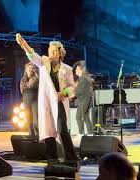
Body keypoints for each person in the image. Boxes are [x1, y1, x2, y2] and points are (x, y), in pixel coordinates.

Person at [16, 33, 78, 162]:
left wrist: (64, 93)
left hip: (59, 101)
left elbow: (72, 87)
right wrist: (24, 44)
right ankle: (52, 160)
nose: (52, 53)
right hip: (46, 102)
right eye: (51, 50)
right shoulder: (43, 63)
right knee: (49, 131)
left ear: (60, 53)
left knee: (62, 130)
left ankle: (72, 159)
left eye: (55, 51)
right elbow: (32, 55)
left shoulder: (67, 69)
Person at [73, 61, 93, 135]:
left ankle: (81, 133)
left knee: (78, 117)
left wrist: (74, 92)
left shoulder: (82, 78)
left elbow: (80, 91)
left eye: (76, 69)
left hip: (84, 101)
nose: (75, 70)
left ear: (80, 70)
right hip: (87, 100)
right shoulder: (85, 78)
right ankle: (90, 133)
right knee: (86, 117)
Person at [20, 62, 39, 136]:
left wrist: (36, 74)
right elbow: (22, 90)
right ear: (26, 69)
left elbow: (32, 85)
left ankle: (38, 136)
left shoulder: (36, 78)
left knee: (35, 120)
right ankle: (31, 136)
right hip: (26, 100)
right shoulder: (23, 79)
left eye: (32, 68)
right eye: (29, 68)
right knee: (28, 120)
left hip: (35, 100)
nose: (30, 69)